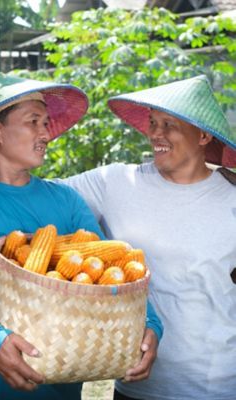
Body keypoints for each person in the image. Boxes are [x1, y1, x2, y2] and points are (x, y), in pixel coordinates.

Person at [0, 72, 163, 400]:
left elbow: (109, 273)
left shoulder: (66, 201)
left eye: (46, 122)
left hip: (57, 389)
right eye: (33, 121)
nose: (45, 133)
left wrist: (149, 323)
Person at [58, 75, 236, 400]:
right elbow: (33, 194)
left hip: (217, 384)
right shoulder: (115, 183)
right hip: (136, 385)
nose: (155, 133)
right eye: (153, 123)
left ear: (204, 134)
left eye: (169, 124)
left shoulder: (231, 197)